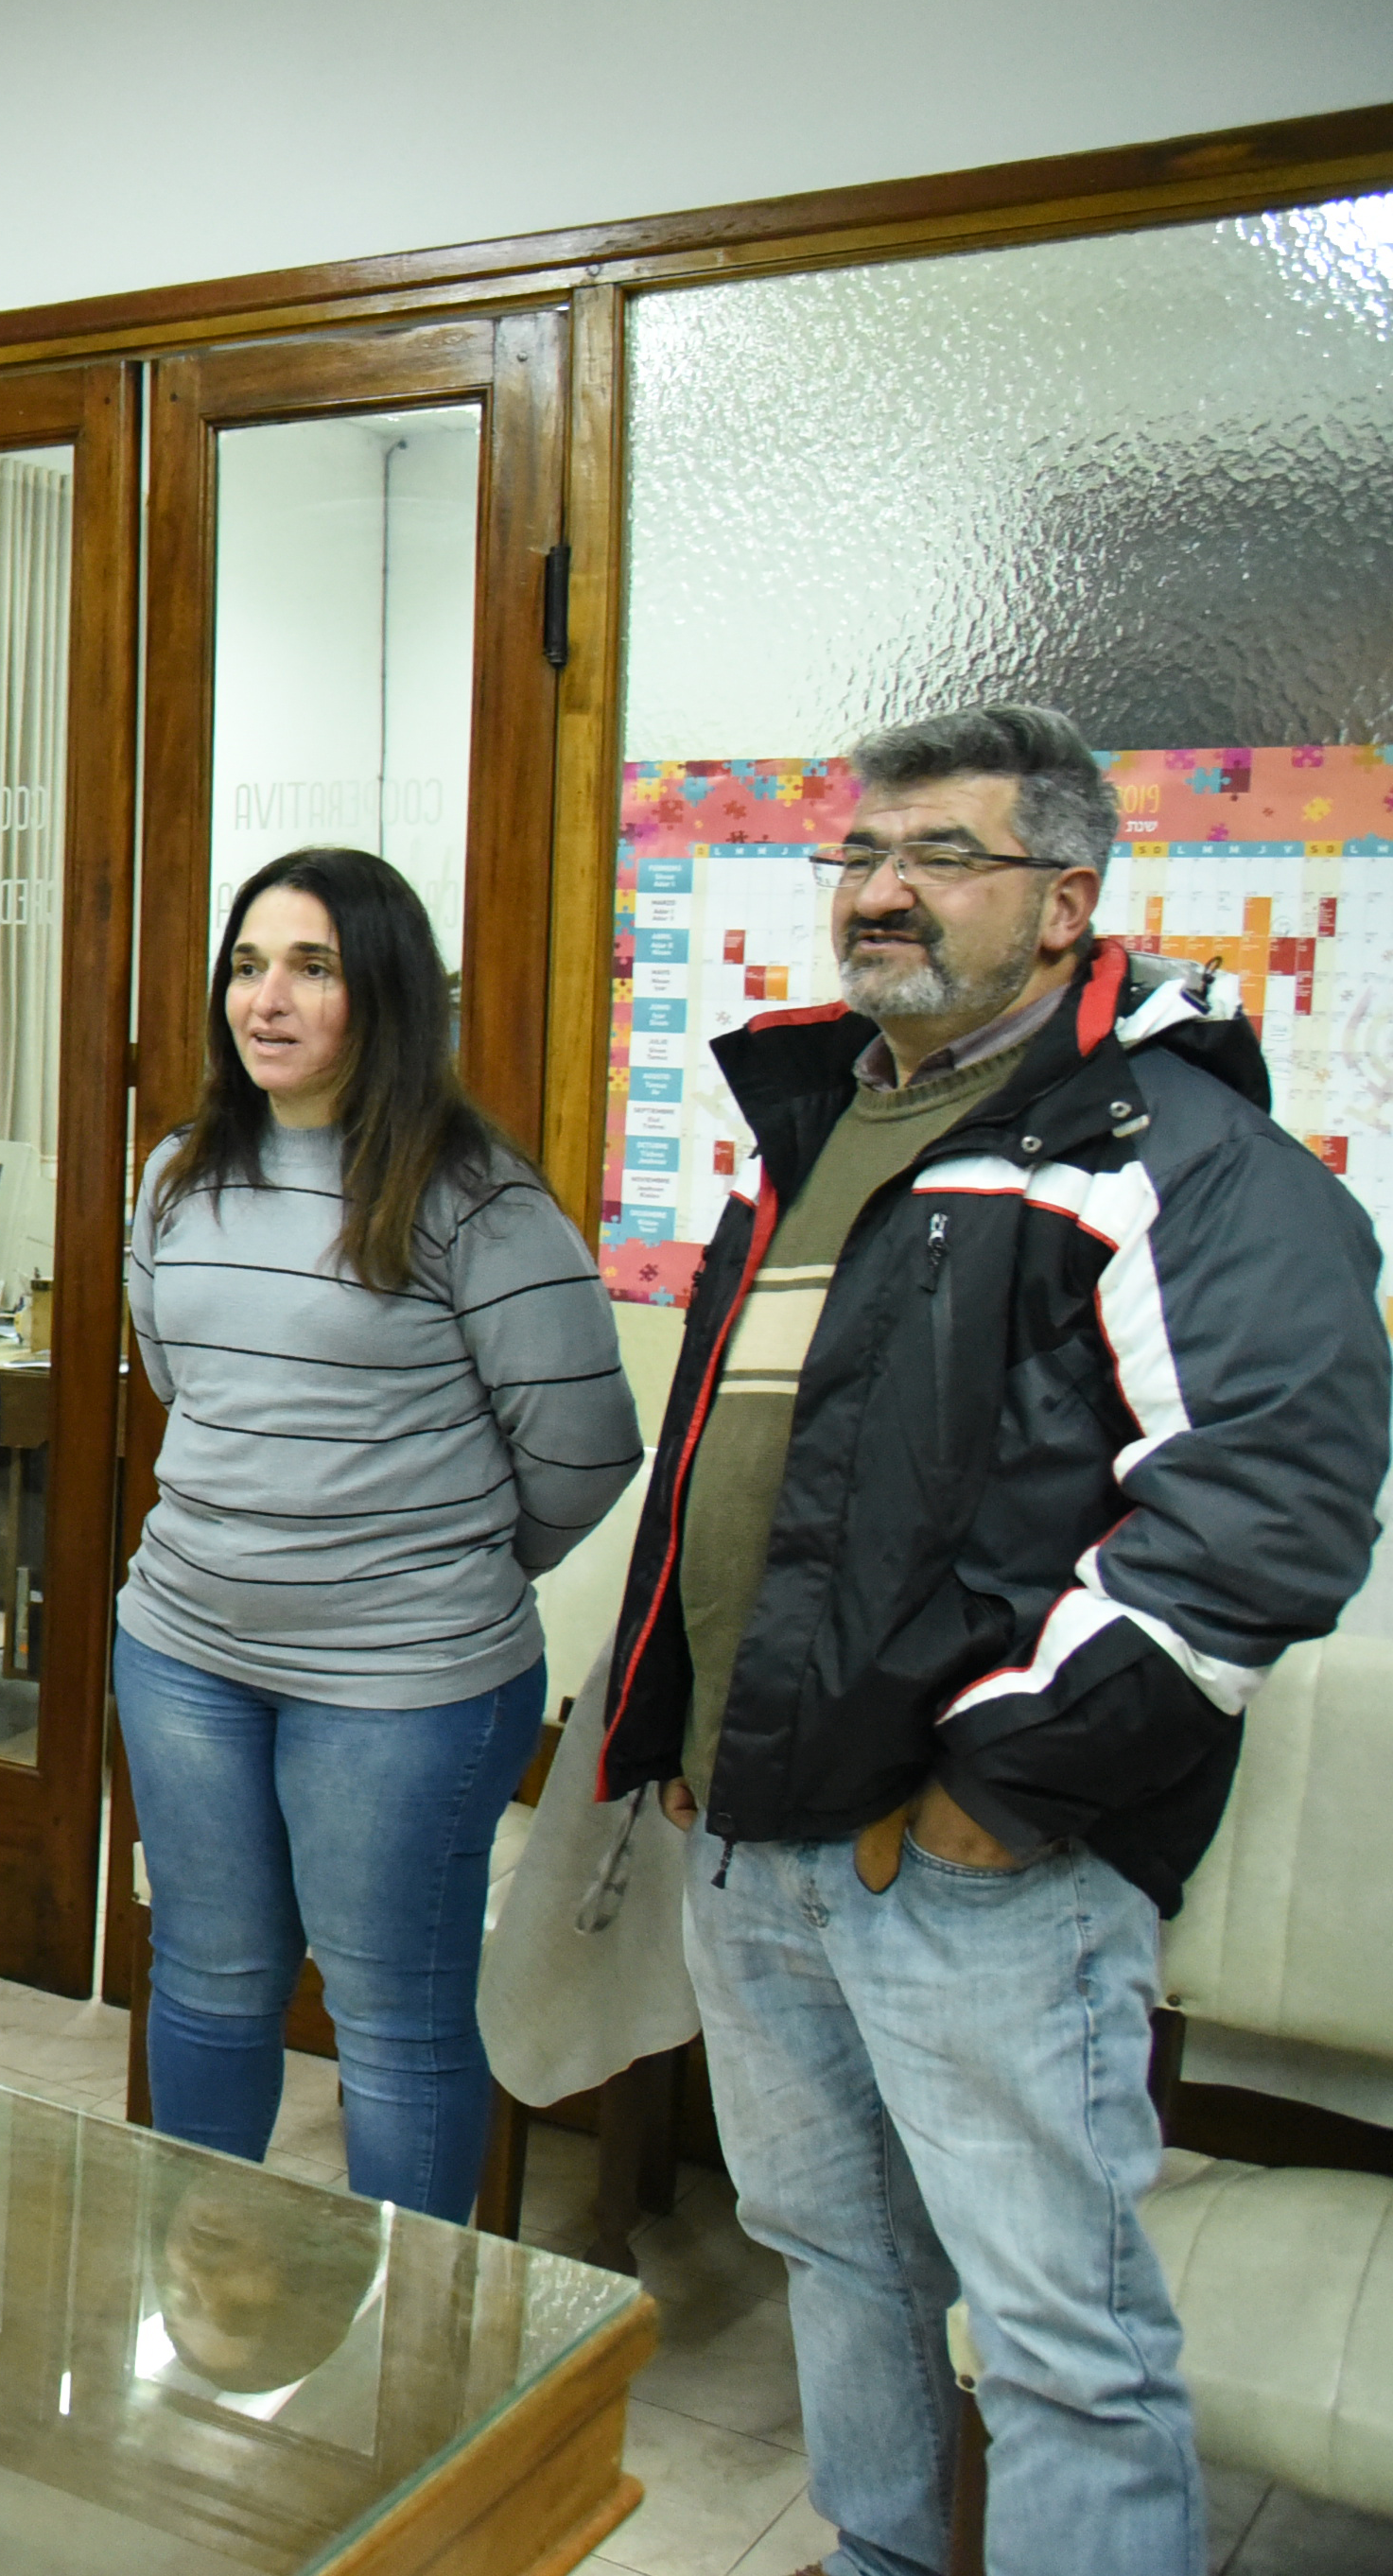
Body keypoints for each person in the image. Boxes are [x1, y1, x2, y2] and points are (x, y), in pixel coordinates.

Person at [597, 705, 1385, 2576]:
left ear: (1063, 900)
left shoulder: (1169, 1148)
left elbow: (1265, 1506)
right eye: (861, 854)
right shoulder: (818, 1128)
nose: (881, 889)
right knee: (842, 2258)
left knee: (1058, 2341)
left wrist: (997, 1789)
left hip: (973, 1874)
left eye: (940, 855)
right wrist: (685, 1738)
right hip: (760, 1832)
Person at [116, 846, 637, 2220]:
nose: (265, 999)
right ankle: (199, 2306)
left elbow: (585, 1448)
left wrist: (433, 1566)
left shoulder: (477, 1198)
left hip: (405, 1680)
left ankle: (405, 2381)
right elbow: (192, 1388)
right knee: (211, 1980)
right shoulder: (177, 1173)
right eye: (246, 964)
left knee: (390, 2022)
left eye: (313, 968)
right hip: (185, 1651)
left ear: (386, 996)